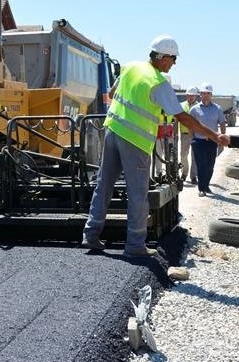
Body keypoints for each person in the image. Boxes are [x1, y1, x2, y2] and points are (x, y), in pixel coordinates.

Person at [82, 36, 229, 257]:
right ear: (161, 57)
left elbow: (112, 95)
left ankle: (90, 234)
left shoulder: (130, 67)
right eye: (173, 58)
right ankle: (134, 245)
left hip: (112, 131)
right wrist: (215, 135)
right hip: (135, 141)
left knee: (103, 185)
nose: (174, 63)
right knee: (138, 193)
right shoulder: (158, 82)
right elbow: (184, 118)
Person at [189, 83, 227, 197]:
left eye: (207, 93)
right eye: (203, 93)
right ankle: (201, 188)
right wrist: (192, 140)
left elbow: (222, 124)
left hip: (212, 141)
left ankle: (206, 185)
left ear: (211, 95)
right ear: (200, 95)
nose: (205, 95)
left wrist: (223, 138)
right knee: (201, 165)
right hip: (199, 142)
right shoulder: (194, 109)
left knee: (210, 165)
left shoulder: (217, 109)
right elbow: (190, 125)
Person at [179, 87, 199, 183]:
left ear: (195, 96)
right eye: (189, 95)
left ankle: (193, 176)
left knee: (195, 156)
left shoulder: (199, 107)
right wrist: (175, 134)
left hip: (196, 135)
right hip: (184, 135)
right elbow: (176, 120)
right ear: (186, 95)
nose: (191, 97)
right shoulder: (181, 106)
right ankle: (184, 173)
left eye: (192, 95)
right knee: (183, 155)